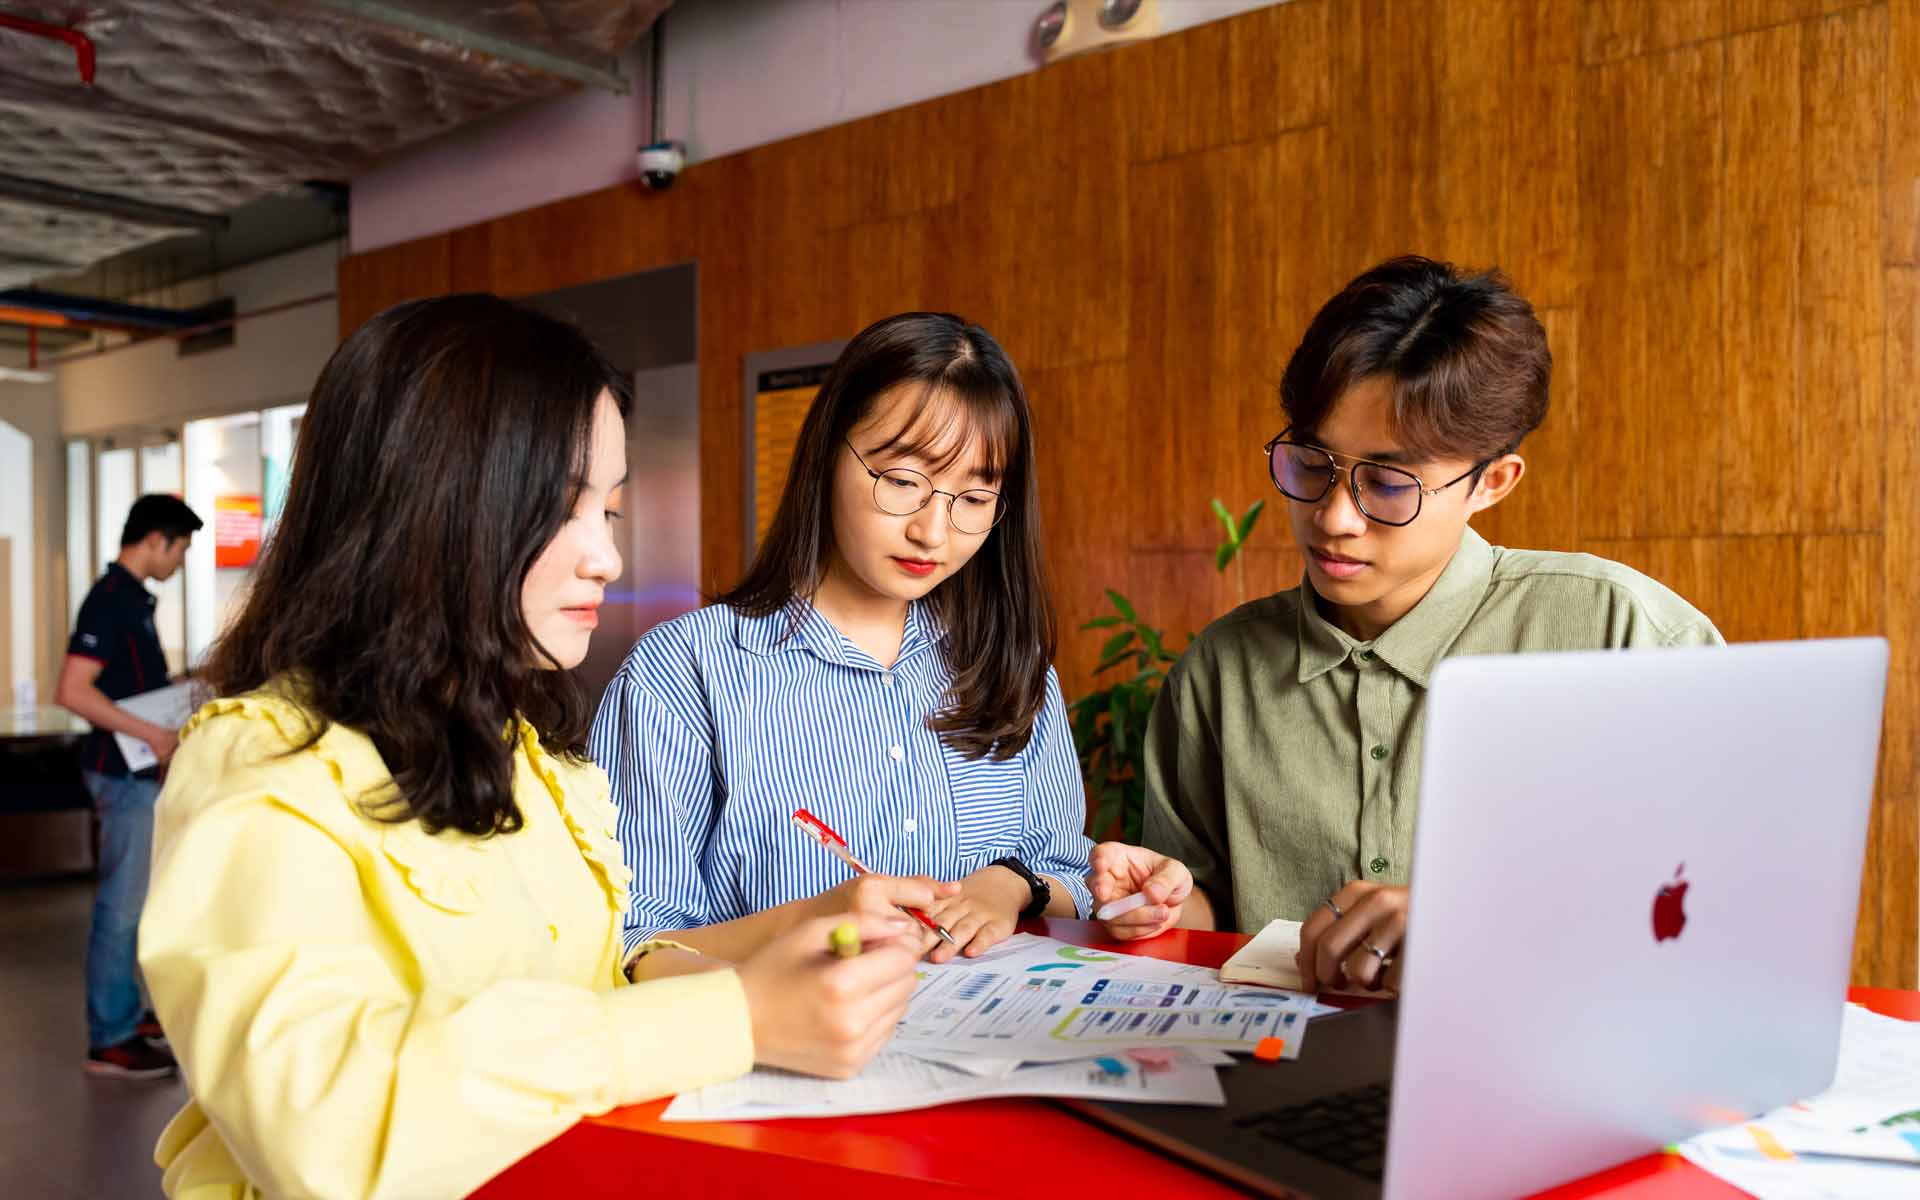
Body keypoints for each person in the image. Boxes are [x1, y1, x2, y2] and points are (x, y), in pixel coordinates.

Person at [137, 295, 921, 1200]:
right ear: (428, 507)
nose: (606, 560)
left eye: (612, 513)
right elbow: (324, 1127)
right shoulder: (261, 762)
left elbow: (587, 996)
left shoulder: (531, 750)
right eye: (561, 509)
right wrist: (737, 1014)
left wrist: (787, 931)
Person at [1089, 257, 1722, 992]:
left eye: (1388, 484)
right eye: (1312, 464)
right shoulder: (1221, 673)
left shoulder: (1624, 635)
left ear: (1491, 482)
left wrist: (1476, 928)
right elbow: (1208, 916)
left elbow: (1723, 902)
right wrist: (1163, 905)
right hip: (1285, 1079)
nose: (1334, 518)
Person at [594, 312, 1093, 967]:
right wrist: (812, 927)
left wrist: (1012, 883)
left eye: (974, 497)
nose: (933, 532)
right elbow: (631, 944)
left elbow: (1068, 872)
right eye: (904, 482)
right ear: (829, 452)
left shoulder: (1013, 668)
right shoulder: (685, 674)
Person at [55, 491, 201, 1079]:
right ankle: (110, 1037)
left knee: (136, 899)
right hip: (120, 773)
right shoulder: (110, 601)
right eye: (181, 549)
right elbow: (73, 690)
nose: (180, 562)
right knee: (121, 906)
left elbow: (123, 682)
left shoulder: (134, 602)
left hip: (136, 769)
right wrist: (153, 734)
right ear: (157, 541)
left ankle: (128, 1011)